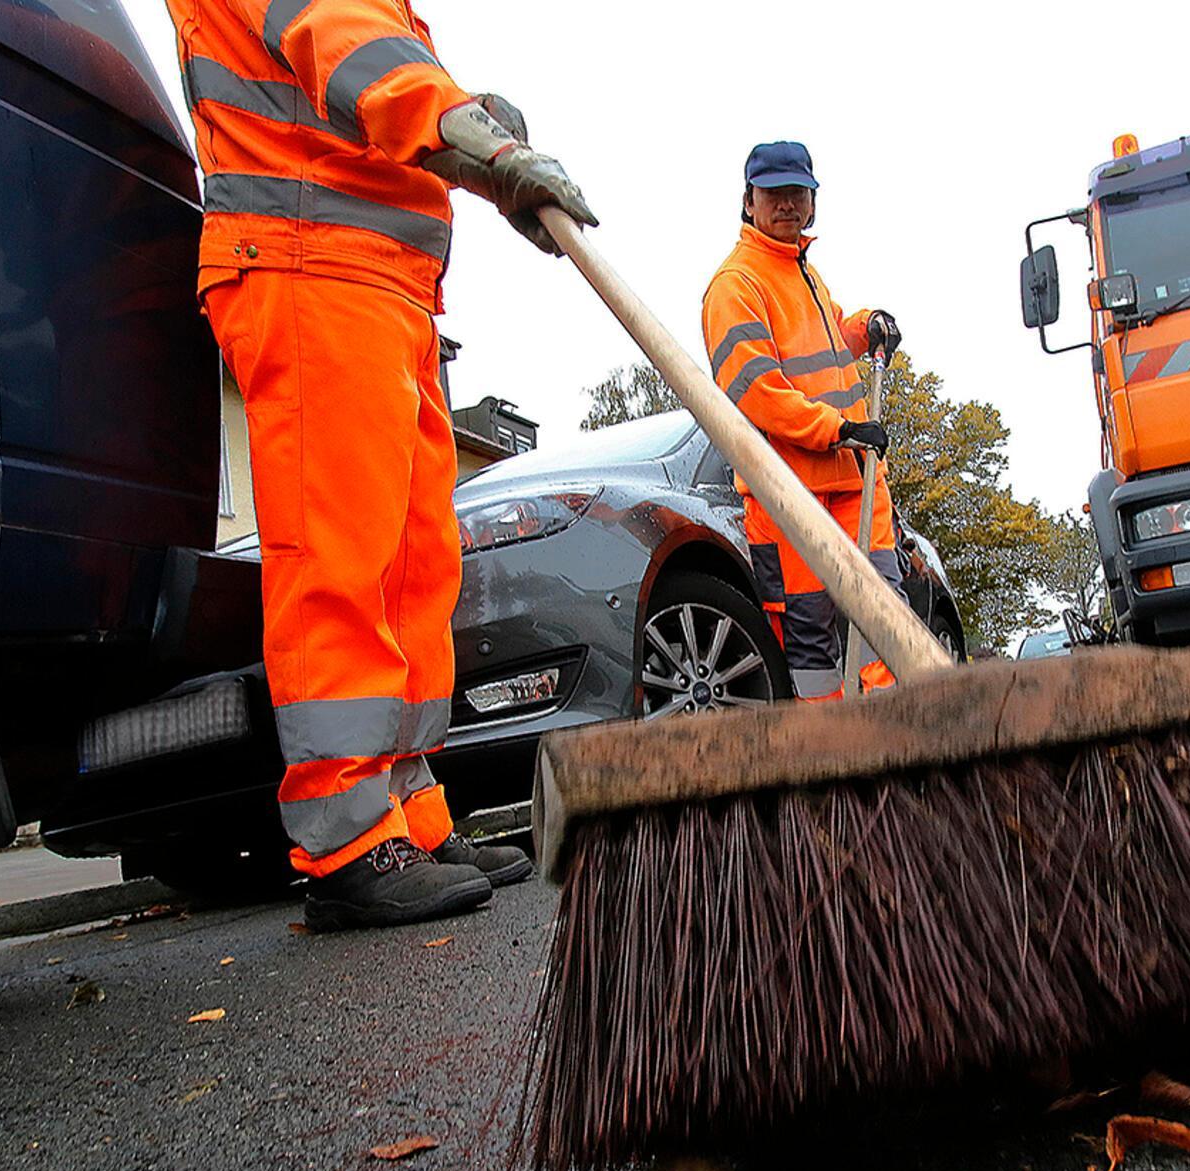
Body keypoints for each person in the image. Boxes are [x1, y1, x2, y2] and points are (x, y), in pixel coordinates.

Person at [168, 0, 596, 929]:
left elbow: (369, 70)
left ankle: (409, 810)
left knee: (414, 567)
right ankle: (347, 838)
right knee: (342, 555)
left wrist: (464, 117)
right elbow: (351, 45)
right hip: (308, 260)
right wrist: (468, 136)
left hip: (380, 281)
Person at [701, 141, 906, 702]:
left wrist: (867, 327)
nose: (787, 205)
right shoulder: (736, 285)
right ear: (749, 201)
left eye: (798, 193)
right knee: (811, 641)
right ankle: (832, 763)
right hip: (789, 499)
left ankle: (901, 751)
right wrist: (837, 429)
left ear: (812, 202)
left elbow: (832, 333)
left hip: (855, 486)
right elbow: (757, 392)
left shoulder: (804, 275)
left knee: (887, 622)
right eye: (775, 193)